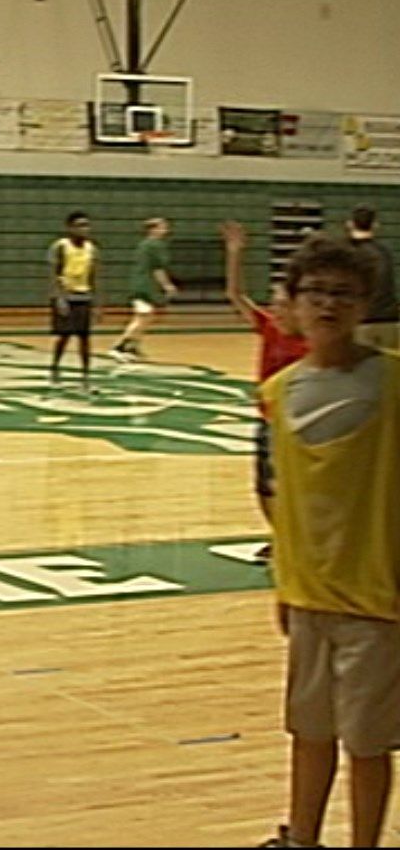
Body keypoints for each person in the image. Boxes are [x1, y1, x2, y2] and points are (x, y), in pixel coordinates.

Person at [257, 235, 400, 849]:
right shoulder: (279, 391)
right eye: (314, 291)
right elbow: (285, 503)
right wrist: (284, 582)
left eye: (343, 293)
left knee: (367, 742)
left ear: (365, 304)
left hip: (378, 598)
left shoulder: (394, 384)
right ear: (292, 302)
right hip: (309, 595)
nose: (327, 304)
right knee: (309, 731)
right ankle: (302, 839)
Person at [221, 221, 307, 566]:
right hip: (267, 417)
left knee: (294, 486)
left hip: (298, 422)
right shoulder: (269, 326)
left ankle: (297, 540)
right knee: (264, 487)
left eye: (281, 303)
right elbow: (235, 295)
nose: (275, 308)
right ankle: (280, 538)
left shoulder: (313, 340)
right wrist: (234, 254)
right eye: (273, 302)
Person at [112, 217, 177, 363]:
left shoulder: (145, 245)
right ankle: (119, 347)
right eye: (162, 227)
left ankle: (132, 346)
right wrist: (167, 285)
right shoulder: (154, 245)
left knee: (146, 317)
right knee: (142, 316)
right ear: (152, 229)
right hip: (144, 286)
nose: (166, 230)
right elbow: (157, 268)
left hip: (143, 285)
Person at [48, 211, 99, 391]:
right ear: (70, 228)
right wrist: (59, 298)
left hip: (83, 295)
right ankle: (55, 368)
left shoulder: (91, 248)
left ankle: (85, 374)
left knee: (85, 337)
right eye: (79, 225)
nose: (84, 229)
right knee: (64, 335)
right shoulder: (60, 247)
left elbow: (93, 276)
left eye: (86, 225)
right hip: (65, 295)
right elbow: (55, 274)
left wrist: (96, 303)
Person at [347, 207, 398, 350]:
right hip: (387, 321)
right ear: (375, 225)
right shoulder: (385, 253)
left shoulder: (345, 252)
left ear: (350, 224)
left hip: (359, 322)